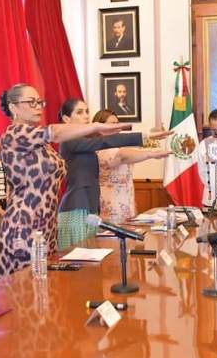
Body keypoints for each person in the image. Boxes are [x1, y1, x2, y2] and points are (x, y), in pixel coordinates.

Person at [0, 84, 129, 275]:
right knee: (25, 287)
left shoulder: (40, 143)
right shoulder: (15, 133)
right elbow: (55, 133)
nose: (38, 106)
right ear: (13, 107)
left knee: (47, 285)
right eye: (31, 102)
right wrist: (95, 126)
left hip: (47, 223)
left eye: (39, 102)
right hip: (24, 224)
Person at [58, 99, 171, 250]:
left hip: (89, 206)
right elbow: (105, 142)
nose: (86, 116)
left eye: (87, 111)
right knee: (78, 258)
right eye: (79, 112)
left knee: (91, 258)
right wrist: (146, 136)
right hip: (76, 208)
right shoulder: (68, 139)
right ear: (66, 119)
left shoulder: (83, 140)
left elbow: (107, 140)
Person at [92, 110, 170, 224]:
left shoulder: (118, 146)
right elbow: (123, 155)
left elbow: (131, 149)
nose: (117, 127)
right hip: (110, 209)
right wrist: (151, 154)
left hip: (127, 206)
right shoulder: (100, 149)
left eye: (117, 123)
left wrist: (151, 138)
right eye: (112, 124)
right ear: (100, 127)